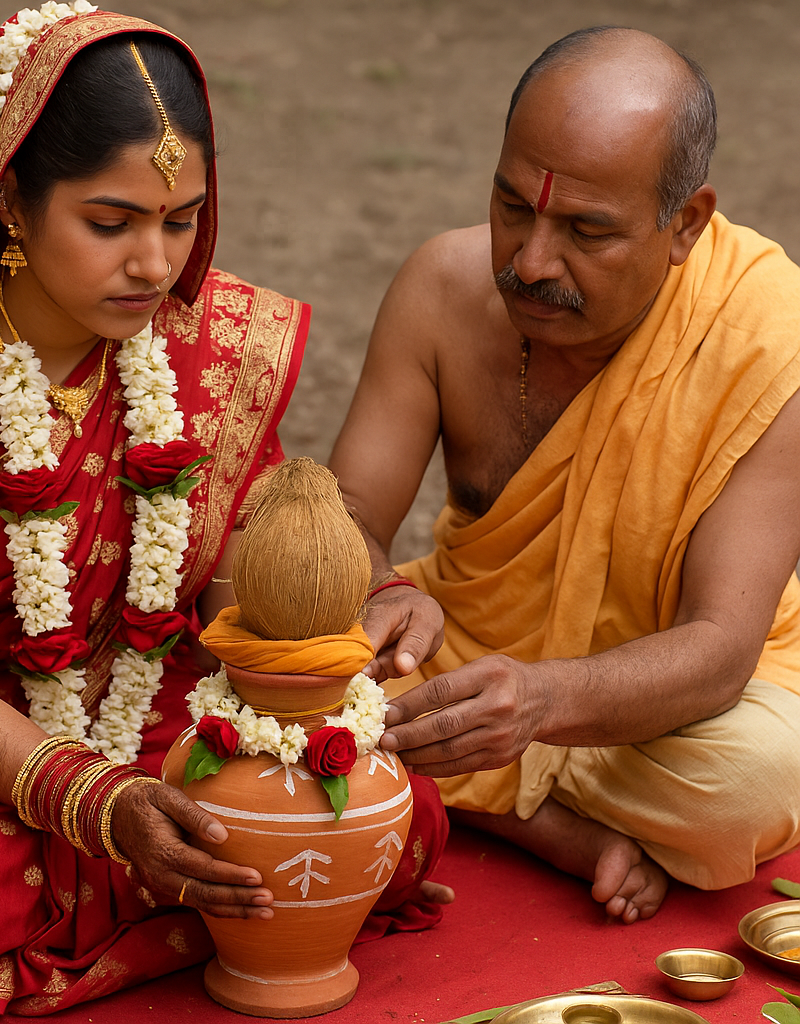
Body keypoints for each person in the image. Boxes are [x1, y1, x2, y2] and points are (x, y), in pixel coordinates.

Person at [0, 6, 446, 1016]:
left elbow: (232, 590)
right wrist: (104, 800)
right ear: (9, 201)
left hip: (138, 687)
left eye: (180, 220)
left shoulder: (204, 339)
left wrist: (360, 607)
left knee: (383, 793)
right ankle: (188, 903)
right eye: (111, 221)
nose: (155, 263)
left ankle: (117, 912)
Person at [330, 25, 800, 926]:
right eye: (514, 207)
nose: (531, 261)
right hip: (463, 653)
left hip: (670, 705)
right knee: (258, 642)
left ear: (686, 226)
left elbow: (717, 654)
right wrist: (380, 587)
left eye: (586, 230)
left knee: (756, 779)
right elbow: (349, 509)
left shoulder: (769, 342)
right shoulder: (441, 287)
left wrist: (542, 700)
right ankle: (546, 822)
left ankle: (465, 786)